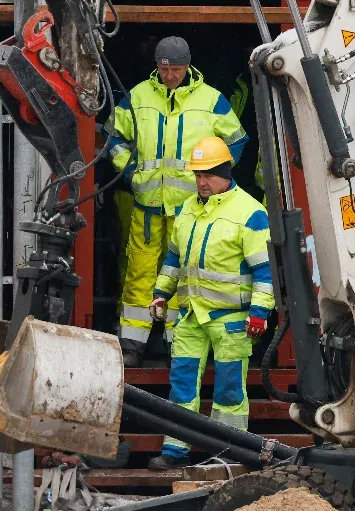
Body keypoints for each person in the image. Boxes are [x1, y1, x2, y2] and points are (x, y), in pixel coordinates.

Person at [105, 35, 249, 367]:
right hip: (147, 203)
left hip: (190, 209)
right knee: (140, 273)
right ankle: (132, 345)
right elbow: (113, 137)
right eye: (165, 69)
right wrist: (130, 174)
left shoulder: (211, 100)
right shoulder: (138, 97)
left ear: (188, 67)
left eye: (177, 70)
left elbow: (237, 141)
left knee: (185, 277)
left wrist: (212, 180)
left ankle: (178, 342)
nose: (170, 76)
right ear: (157, 66)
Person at [147, 136, 274, 470]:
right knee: (182, 386)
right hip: (191, 316)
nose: (201, 182)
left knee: (230, 392)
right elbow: (174, 258)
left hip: (232, 321)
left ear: (225, 172)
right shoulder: (188, 209)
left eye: (208, 174)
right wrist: (161, 292)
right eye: (197, 174)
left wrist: (260, 313)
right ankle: (175, 452)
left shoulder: (251, 213)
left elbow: (266, 273)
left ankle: (229, 455)